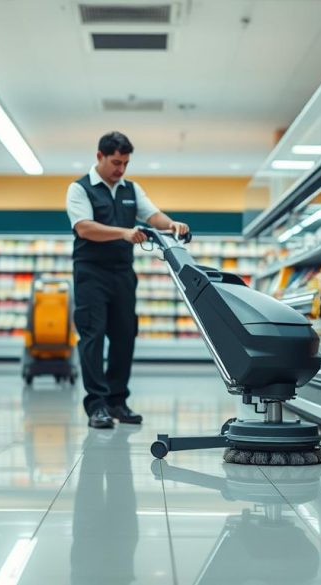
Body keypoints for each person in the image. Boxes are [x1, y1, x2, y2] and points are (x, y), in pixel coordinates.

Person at [66, 131, 189, 429]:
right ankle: (97, 405)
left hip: (122, 272)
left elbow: (153, 215)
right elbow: (84, 228)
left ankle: (117, 401)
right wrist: (122, 232)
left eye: (125, 163)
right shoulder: (79, 189)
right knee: (93, 337)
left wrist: (171, 224)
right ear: (100, 157)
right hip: (90, 273)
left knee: (124, 336)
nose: (120, 169)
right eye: (116, 162)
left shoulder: (132, 189)